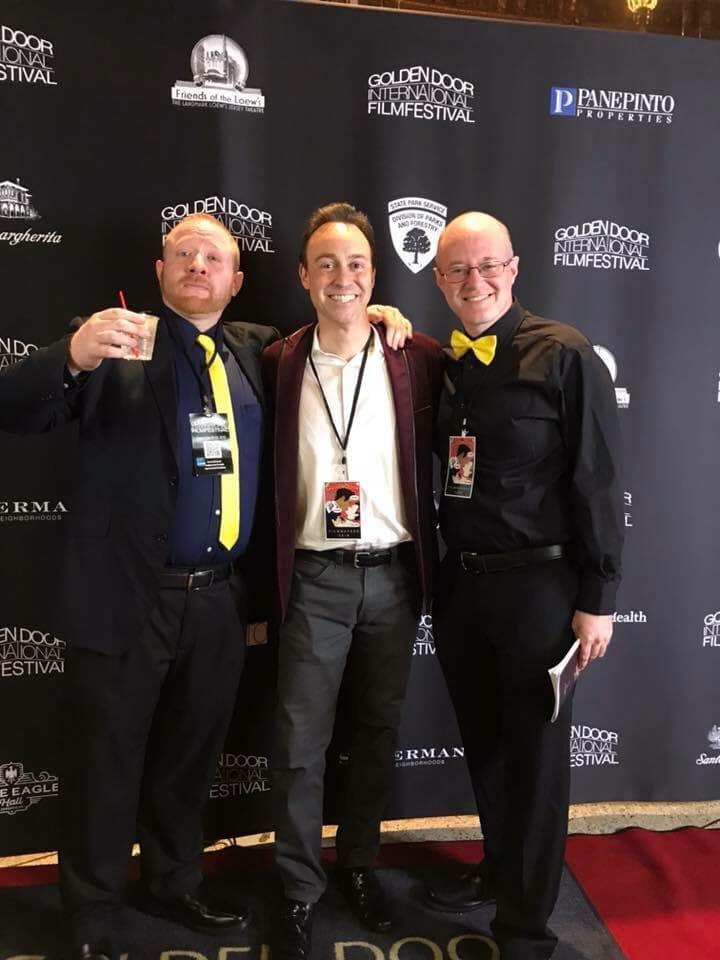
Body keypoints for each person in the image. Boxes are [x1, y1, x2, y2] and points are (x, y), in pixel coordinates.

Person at [0, 213, 279, 960]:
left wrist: (379, 314)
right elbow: (13, 409)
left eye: (213, 256)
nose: (198, 264)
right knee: (105, 760)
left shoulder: (257, 351)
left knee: (190, 757)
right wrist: (71, 356)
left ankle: (173, 883)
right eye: (183, 252)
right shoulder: (115, 343)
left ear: (236, 280)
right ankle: (90, 911)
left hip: (218, 600)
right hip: (127, 596)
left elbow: (339, 339)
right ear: (159, 272)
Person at [426, 212, 623, 959]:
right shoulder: (444, 363)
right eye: (457, 269)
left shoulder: (564, 353)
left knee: (536, 764)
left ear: (513, 269)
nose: (473, 280)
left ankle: (526, 930)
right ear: (439, 280)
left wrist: (598, 599)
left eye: (487, 266)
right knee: (487, 750)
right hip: (463, 587)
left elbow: (598, 482)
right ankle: (498, 869)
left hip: (541, 591)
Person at [261, 202, 442, 960]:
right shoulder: (276, 362)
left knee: (374, 734)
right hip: (314, 580)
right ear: (303, 276)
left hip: (394, 578)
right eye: (327, 264)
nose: (344, 277)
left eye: (357, 264)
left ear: (376, 275)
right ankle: (298, 889)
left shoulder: (415, 354)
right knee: (300, 743)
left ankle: (359, 865)